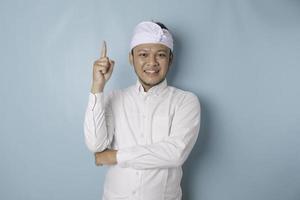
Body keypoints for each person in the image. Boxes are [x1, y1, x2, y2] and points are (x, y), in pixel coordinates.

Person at [84, 21, 201, 200]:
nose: (151, 62)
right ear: (131, 58)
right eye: (143, 54)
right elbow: (96, 145)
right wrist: (97, 87)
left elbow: (175, 153)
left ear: (171, 59)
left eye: (160, 55)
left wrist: (116, 156)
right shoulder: (115, 97)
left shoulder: (186, 101)